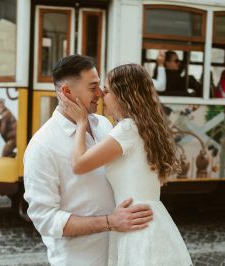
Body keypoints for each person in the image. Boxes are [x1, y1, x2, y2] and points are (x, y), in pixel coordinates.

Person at [23, 55, 153, 266]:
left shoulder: (104, 124)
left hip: (123, 254)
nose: (100, 93)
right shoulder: (42, 146)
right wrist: (110, 222)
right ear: (67, 92)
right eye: (93, 87)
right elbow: (45, 219)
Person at [61, 63, 193, 266]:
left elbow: (79, 164)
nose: (102, 96)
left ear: (123, 95)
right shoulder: (144, 127)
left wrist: (81, 123)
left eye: (106, 91)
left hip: (137, 226)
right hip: (152, 220)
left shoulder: (127, 129)